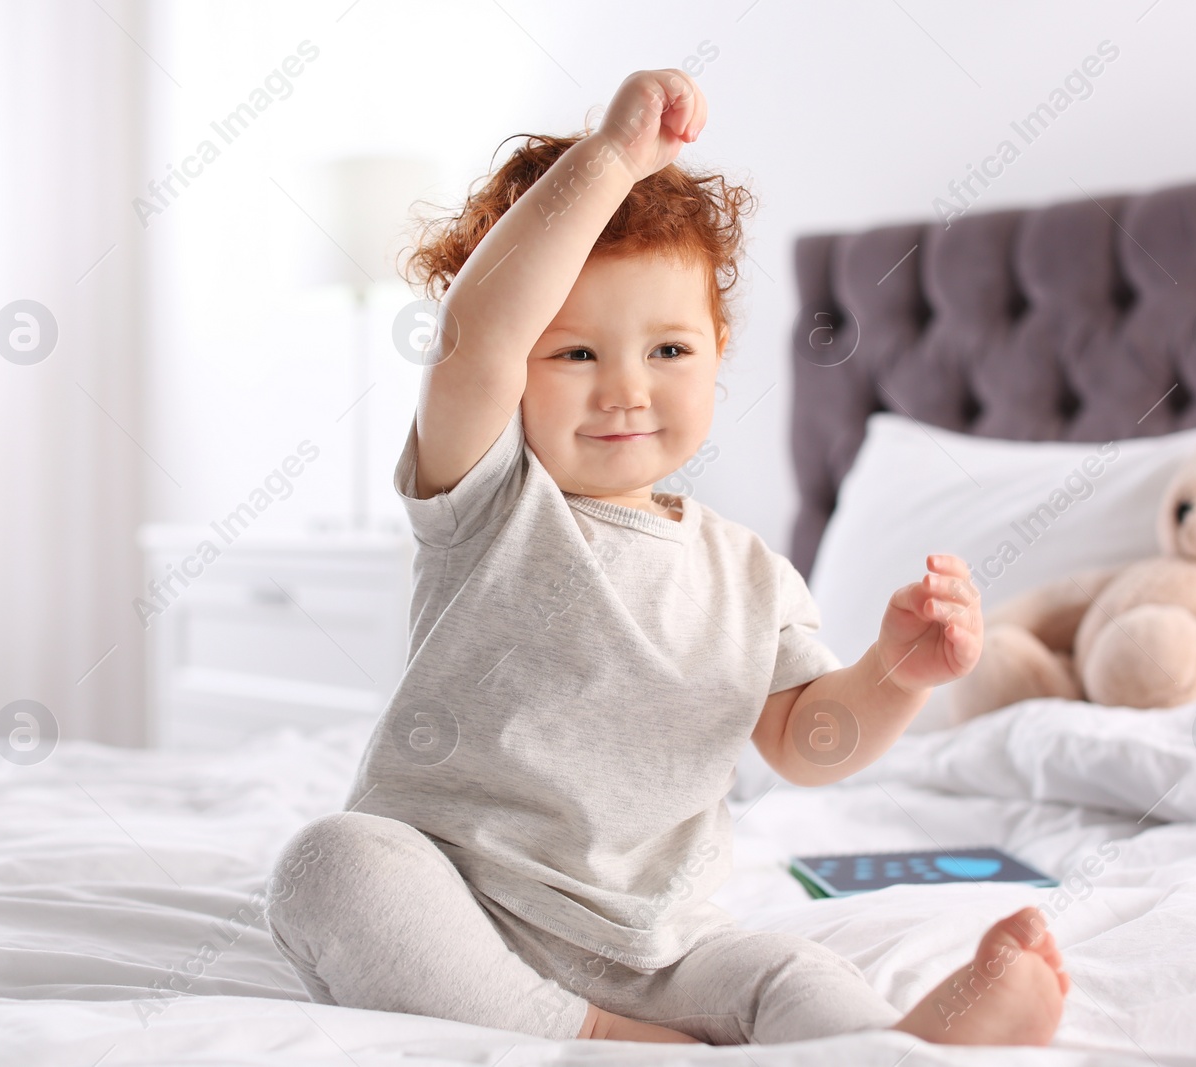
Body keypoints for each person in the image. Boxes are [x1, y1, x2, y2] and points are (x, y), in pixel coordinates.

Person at [266, 67, 1069, 1047]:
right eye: (573, 354)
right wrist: (606, 159)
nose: (624, 391)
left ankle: (895, 1045)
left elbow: (809, 742)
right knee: (328, 865)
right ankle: (593, 1036)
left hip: (657, 943)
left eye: (669, 351)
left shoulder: (749, 573)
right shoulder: (487, 498)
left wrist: (898, 672)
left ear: (718, 349)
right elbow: (478, 335)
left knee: (789, 970)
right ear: (514, 367)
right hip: (457, 904)